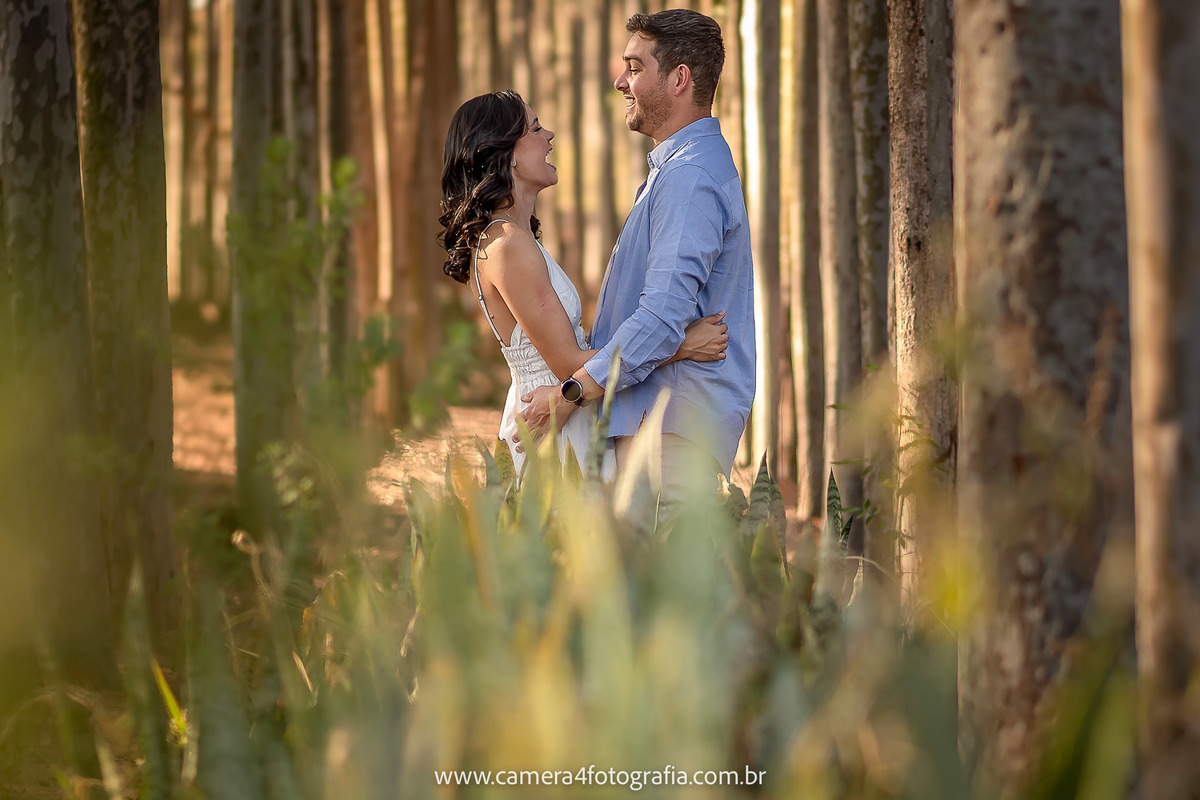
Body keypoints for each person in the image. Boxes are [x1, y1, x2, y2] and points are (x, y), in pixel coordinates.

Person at [519, 9, 755, 503]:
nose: (619, 81)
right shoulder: (677, 171)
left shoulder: (689, 178)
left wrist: (569, 396)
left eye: (634, 67)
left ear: (679, 80)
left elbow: (660, 318)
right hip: (659, 429)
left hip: (670, 437)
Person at [438, 90, 729, 475]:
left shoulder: (513, 241)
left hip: (566, 413)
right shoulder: (508, 246)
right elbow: (568, 364)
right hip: (553, 429)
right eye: (536, 129)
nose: (550, 136)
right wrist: (681, 345)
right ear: (503, 152)